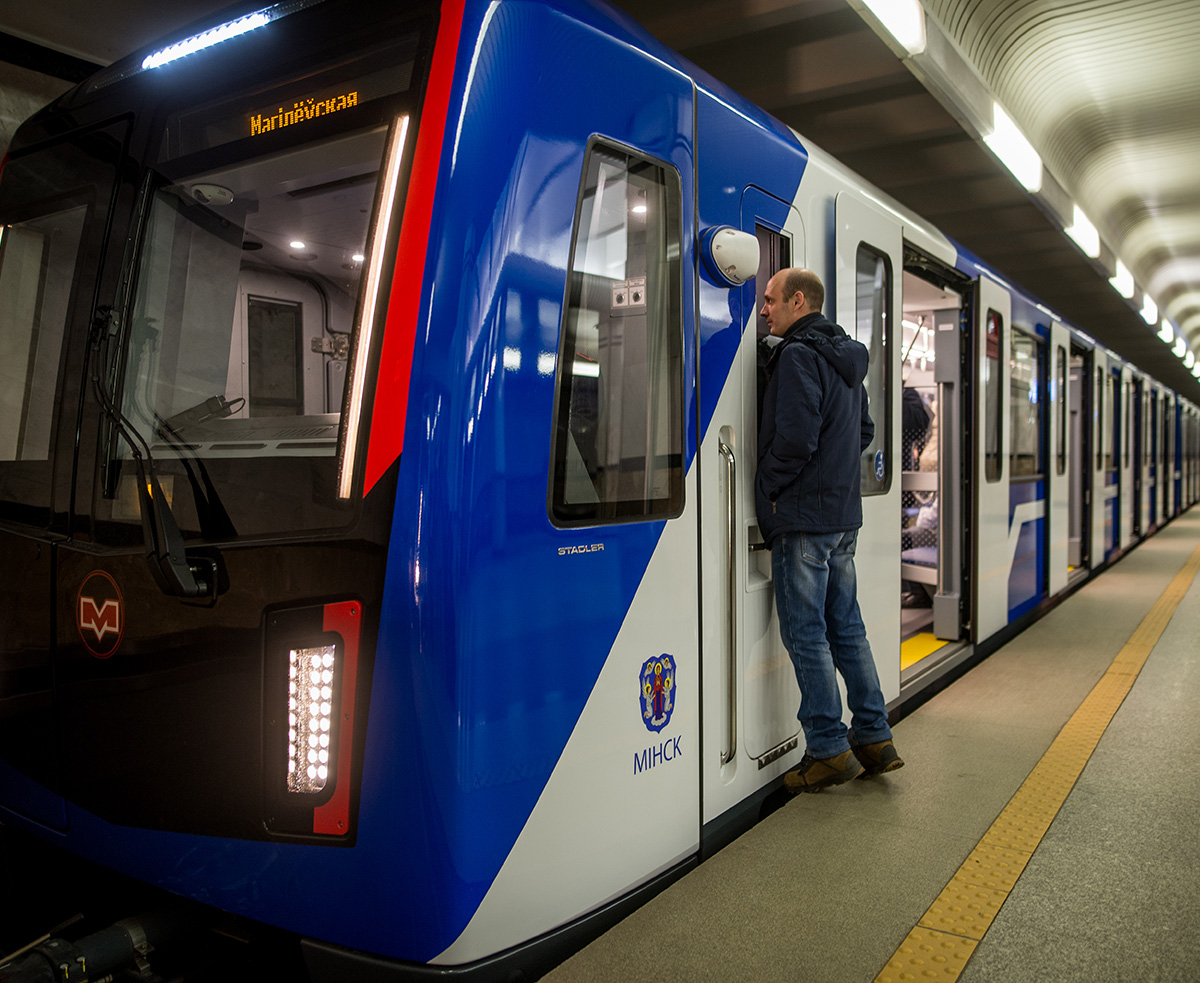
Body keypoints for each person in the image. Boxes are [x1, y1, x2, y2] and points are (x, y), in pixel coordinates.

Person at [755, 267, 904, 792]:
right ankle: (874, 735)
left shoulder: (796, 356)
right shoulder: (846, 359)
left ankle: (826, 746)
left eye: (770, 299)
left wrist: (767, 485)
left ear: (799, 301)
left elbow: (795, 440)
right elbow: (862, 430)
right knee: (847, 628)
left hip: (804, 519)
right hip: (843, 519)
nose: (764, 309)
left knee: (807, 632)